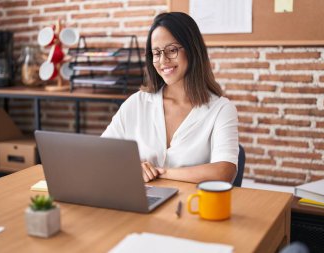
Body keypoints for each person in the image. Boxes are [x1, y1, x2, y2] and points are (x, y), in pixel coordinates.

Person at [102, 12, 239, 184]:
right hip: (141, 203)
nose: (163, 60)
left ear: (192, 49)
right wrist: (132, 166)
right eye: (156, 53)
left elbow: (224, 172)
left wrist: (162, 172)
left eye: (172, 50)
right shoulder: (136, 103)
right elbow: (102, 154)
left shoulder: (221, 109)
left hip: (192, 205)